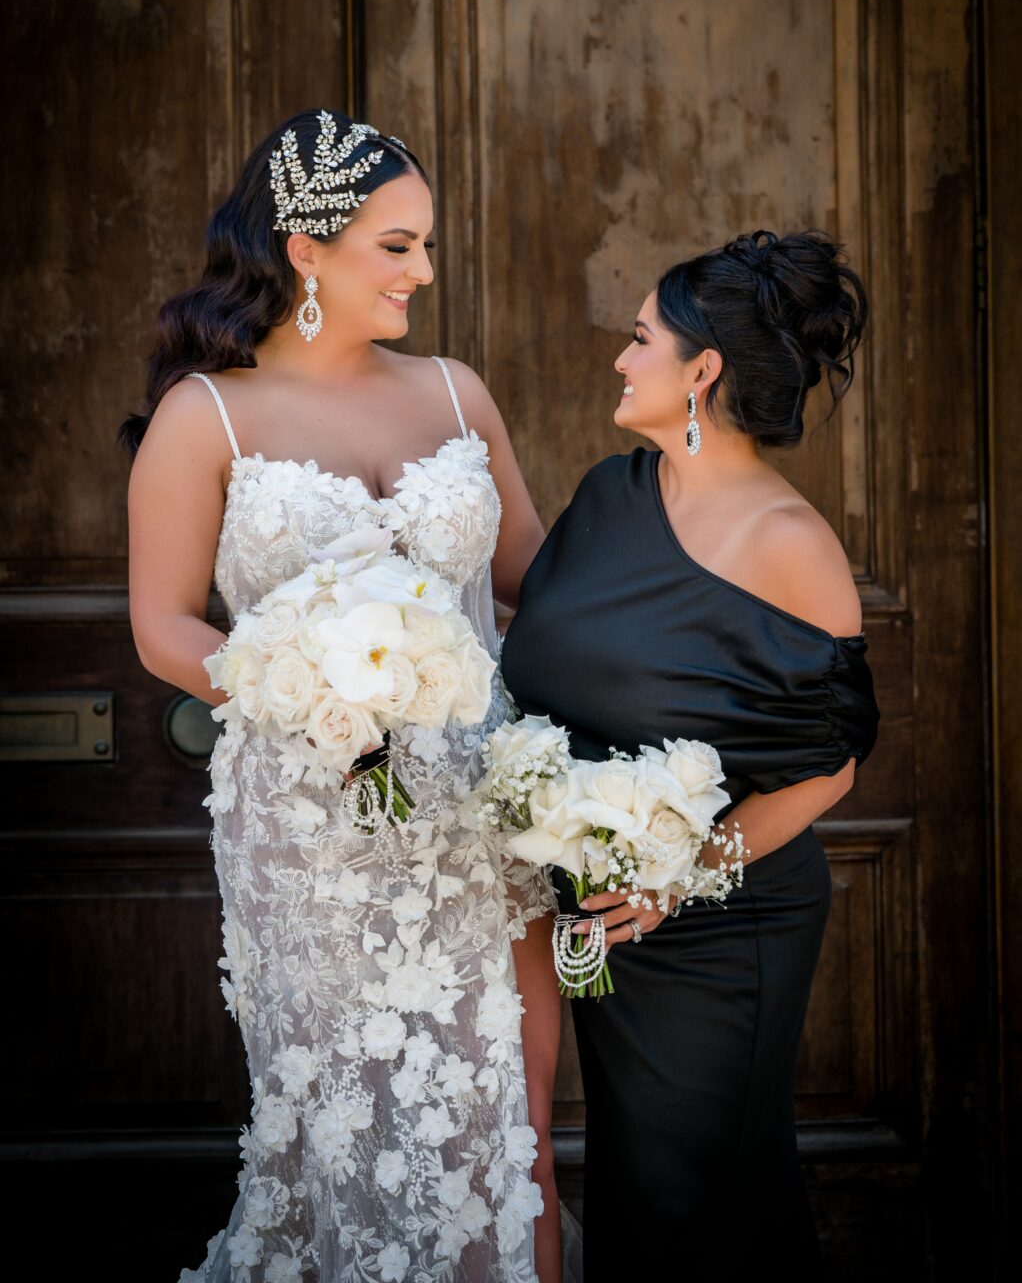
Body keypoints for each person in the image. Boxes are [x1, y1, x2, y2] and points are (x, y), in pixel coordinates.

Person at [123, 110, 563, 1282]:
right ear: (306, 249)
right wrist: (290, 675)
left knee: (516, 1121)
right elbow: (164, 626)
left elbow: (534, 583)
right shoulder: (204, 415)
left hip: (479, 811)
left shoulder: (458, 392)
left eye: (425, 246)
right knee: (343, 1128)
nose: (423, 272)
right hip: (312, 830)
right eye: (397, 245)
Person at [500, 230, 880, 1276]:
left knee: (699, 1198)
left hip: (726, 922)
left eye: (638, 340)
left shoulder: (785, 542)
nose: (620, 361)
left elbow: (830, 761)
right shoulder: (609, 496)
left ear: (700, 371)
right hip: (604, 920)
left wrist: (683, 873)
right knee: (635, 1191)